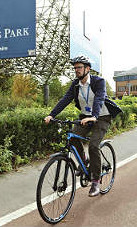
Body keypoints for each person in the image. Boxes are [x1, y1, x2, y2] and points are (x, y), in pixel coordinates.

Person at [44, 56, 122, 197]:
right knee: (73, 138)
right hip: (85, 118)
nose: (76, 70)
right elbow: (65, 99)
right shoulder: (75, 85)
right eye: (75, 68)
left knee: (93, 145)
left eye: (79, 67)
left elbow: (99, 99)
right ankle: (85, 161)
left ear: (87, 68)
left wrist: (95, 116)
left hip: (102, 117)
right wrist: (51, 115)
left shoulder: (99, 82)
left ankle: (96, 181)